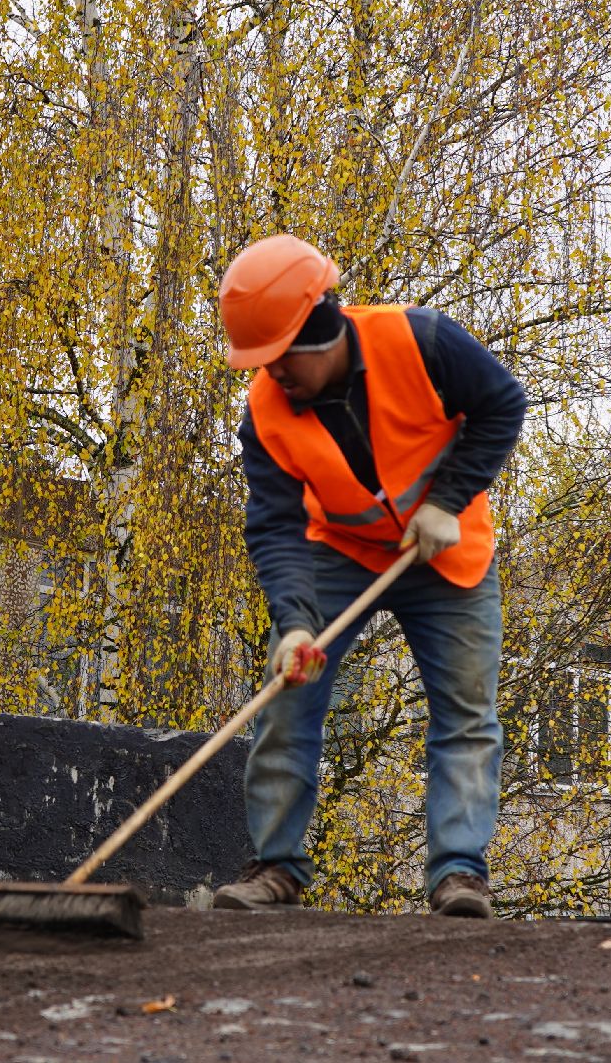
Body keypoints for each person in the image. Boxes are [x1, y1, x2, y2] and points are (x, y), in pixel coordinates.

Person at [212, 234, 526, 918]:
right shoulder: (265, 413)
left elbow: (504, 403)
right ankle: (276, 868)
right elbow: (275, 526)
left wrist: (447, 501)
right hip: (341, 553)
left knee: (467, 715)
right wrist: (295, 623)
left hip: (446, 555)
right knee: (287, 693)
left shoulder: (423, 342)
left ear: (316, 333)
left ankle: (459, 875)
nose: (269, 376)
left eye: (276, 358)